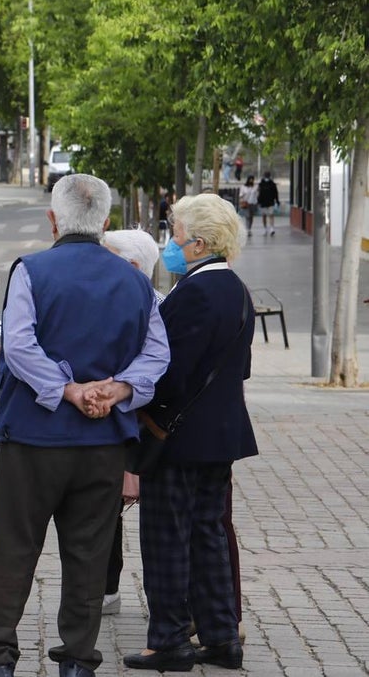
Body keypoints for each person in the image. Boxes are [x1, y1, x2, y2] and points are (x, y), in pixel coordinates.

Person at [0, 174, 170, 677]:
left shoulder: (33, 270)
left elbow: (20, 343)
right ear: (105, 223)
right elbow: (158, 352)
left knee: (11, 550)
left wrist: (67, 390)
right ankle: (77, 662)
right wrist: (117, 390)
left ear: (53, 220)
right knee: (89, 556)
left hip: (34, 438)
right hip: (104, 441)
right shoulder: (135, 280)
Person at [123, 194, 257, 673]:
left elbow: (171, 372)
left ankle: (169, 641)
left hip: (178, 438)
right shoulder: (235, 289)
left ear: (199, 243)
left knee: (167, 539)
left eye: (176, 232)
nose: (171, 240)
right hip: (219, 433)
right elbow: (238, 368)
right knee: (208, 537)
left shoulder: (197, 291)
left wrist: (137, 404)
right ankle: (221, 637)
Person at [98, 229, 165, 617]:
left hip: (137, 429)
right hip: (113, 425)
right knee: (104, 513)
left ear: (132, 266)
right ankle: (106, 589)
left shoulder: (154, 309)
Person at [257, 171, 280, 236]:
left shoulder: (272, 184)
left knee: (271, 214)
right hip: (264, 202)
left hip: (270, 202)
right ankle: (266, 228)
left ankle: (271, 228)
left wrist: (277, 200)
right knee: (265, 215)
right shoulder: (261, 184)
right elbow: (259, 193)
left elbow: (275, 193)